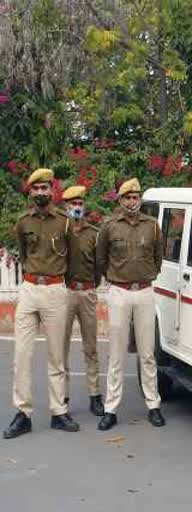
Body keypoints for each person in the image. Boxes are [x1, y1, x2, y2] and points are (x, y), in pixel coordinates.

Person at [3, 168, 80, 439]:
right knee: (22, 355)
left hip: (56, 289)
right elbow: (24, 254)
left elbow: (72, 258)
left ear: (52, 190)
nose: (40, 192)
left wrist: (59, 283)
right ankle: (22, 414)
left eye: (44, 188)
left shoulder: (65, 222)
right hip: (29, 289)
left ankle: (59, 411)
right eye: (35, 188)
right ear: (30, 191)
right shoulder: (23, 222)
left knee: (56, 355)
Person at [95, 178, 166, 431]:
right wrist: (116, 279)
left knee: (148, 354)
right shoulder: (109, 226)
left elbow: (158, 257)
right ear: (121, 200)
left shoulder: (153, 226)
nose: (133, 202)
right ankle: (111, 409)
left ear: (140, 200)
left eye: (136, 197)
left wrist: (146, 274)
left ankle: (153, 405)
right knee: (116, 355)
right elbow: (101, 259)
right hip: (119, 293)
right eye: (128, 197)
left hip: (145, 291)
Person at [61, 185, 104, 417]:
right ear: (65, 207)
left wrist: (92, 286)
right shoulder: (60, 231)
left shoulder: (93, 233)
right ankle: (62, 397)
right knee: (61, 347)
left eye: (79, 204)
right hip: (65, 293)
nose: (76, 208)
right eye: (72, 204)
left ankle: (95, 396)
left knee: (91, 348)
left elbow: (98, 266)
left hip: (87, 292)